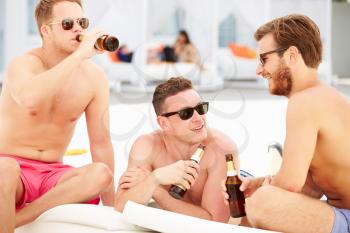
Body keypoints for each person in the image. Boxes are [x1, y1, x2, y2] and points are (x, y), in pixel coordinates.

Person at [224, 14, 350, 233]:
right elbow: (310, 187)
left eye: (264, 59)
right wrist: (263, 181)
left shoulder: (305, 101)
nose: (259, 70)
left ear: (292, 55)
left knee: (260, 203)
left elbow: (290, 184)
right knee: (252, 190)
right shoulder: (325, 97)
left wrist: (263, 189)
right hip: (341, 213)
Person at [0, 0, 115, 231]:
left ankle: (18, 220)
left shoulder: (94, 77)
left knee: (100, 174)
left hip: (53, 175)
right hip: (11, 168)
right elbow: (29, 97)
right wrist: (78, 56)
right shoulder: (22, 65)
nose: (78, 29)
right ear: (46, 30)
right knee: (4, 169)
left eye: (82, 22)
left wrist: (114, 213)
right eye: (67, 24)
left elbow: (101, 143)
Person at [115, 77, 238, 222]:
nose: (199, 118)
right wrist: (155, 178)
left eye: (200, 108)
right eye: (186, 113)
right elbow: (121, 205)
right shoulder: (147, 146)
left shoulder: (221, 149)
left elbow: (215, 223)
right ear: (164, 123)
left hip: (237, 190)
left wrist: (155, 187)